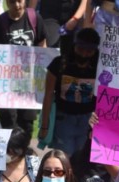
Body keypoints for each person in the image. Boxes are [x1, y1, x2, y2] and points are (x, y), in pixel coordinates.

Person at [0, 0, 47, 141]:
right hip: (7, 84)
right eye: (12, 2)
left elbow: (42, 45)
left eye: (20, 1)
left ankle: (24, 154)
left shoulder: (34, 18)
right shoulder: (0, 22)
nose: (17, 5)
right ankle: (9, 155)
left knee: (26, 123)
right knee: (8, 121)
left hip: (29, 83)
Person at [39, 27, 101, 156]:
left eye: (89, 51)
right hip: (64, 120)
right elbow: (48, 95)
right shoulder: (59, 64)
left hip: (88, 121)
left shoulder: (100, 67)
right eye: (80, 49)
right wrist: (45, 126)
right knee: (65, 159)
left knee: (82, 159)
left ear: (95, 50)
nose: (84, 54)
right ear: (74, 46)